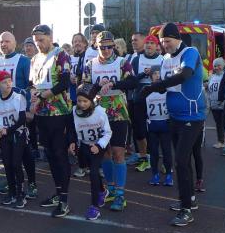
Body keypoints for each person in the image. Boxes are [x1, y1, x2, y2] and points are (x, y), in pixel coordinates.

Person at [140, 22, 207, 227]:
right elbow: (165, 86)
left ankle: (186, 210)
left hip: (192, 116)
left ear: (177, 38)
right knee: (183, 161)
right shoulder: (166, 59)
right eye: (162, 42)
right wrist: (150, 89)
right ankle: (189, 200)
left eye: (167, 41)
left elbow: (184, 75)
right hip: (175, 117)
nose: (164, 45)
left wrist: (156, 86)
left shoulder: (190, 52)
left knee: (180, 160)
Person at [81, 31, 137, 211]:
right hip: (99, 114)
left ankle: (120, 194)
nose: (105, 50)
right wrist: (97, 86)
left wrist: (113, 84)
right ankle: (111, 189)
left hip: (118, 113)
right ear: (96, 46)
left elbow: (133, 82)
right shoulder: (90, 64)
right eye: (102, 47)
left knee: (119, 153)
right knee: (104, 153)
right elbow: (84, 87)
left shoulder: (122, 62)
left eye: (109, 47)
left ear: (113, 46)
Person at [0, 32, 37, 199]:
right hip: (2, 112)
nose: (4, 44)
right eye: (1, 42)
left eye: (7, 41)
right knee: (8, 152)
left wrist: (29, 109)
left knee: (25, 151)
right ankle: (12, 183)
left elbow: (31, 85)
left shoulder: (24, 61)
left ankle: (32, 183)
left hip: (20, 112)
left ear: (14, 43)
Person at [28, 24, 73, 217]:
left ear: (50, 37)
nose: (39, 44)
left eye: (41, 40)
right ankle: (58, 192)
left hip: (59, 113)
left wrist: (44, 95)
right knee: (50, 155)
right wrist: (33, 95)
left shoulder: (61, 55)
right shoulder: (35, 59)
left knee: (60, 154)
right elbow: (32, 83)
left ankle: (64, 200)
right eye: (36, 41)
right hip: (42, 114)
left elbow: (65, 82)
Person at [68, 83, 111, 220]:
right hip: (84, 146)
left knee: (93, 173)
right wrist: (72, 142)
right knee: (93, 171)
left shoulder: (100, 112)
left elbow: (108, 133)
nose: (82, 104)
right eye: (79, 101)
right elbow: (72, 129)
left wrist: (99, 146)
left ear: (91, 100)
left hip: (98, 146)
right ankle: (102, 191)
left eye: (85, 101)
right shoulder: (74, 111)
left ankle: (94, 207)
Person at [0, 70, 29, 207]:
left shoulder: (19, 97)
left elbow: (22, 119)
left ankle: (21, 194)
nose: (8, 84)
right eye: (4, 82)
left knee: (16, 164)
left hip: (17, 133)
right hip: (4, 135)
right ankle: (11, 192)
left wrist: (8, 130)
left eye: (9, 81)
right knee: (7, 164)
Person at [127, 34, 163, 172]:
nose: (149, 45)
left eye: (152, 43)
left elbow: (166, 78)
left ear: (156, 46)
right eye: (147, 43)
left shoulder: (162, 59)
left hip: (157, 98)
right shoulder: (137, 59)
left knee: (157, 130)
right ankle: (144, 157)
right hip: (140, 98)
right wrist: (144, 74)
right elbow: (131, 80)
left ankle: (160, 159)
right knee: (139, 130)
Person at [144, 68, 173, 187]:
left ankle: (169, 175)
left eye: (158, 73)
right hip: (152, 125)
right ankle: (155, 174)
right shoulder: (147, 90)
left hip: (165, 124)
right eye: (154, 74)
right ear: (150, 76)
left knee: (167, 151)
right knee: (154, 152)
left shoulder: (167, 89)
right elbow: (139, 104)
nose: (157, 75)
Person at [206, 58, 225, 149]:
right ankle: (221, 141)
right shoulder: (211, 77)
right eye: (215, 66)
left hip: (224, 104)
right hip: (214, 105)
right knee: (218, 124)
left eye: (219, 65)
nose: (217, 67)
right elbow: (209, 90)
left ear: (223, 66)